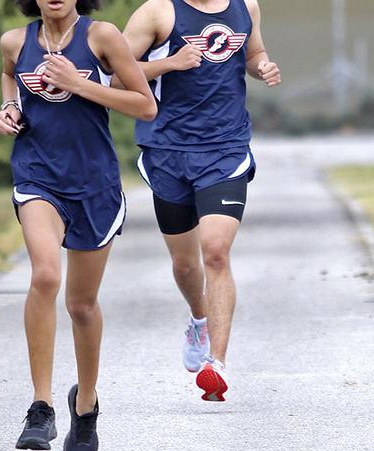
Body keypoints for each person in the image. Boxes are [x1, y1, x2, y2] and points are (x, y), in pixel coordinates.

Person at [0, 0, 156, 451]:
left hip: (94, 185)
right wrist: (8, 108)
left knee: (81, 305)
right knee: (45, 276)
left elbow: (145, 105)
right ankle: (41, 408)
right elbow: (9, 77)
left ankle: (85, 404)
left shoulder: (101, 37)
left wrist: (79, 84)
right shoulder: (14, 42)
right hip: (37, 176)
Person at [120, 0, 280, 402]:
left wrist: (262, 66)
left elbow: (253, 51)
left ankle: (217, 363)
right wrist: (169, 64)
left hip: (225, 148)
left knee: (215, 252)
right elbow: (115, 73)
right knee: (185, 262)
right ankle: (198, 317)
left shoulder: (247, 6)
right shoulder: (157, 12)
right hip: (167, 150)